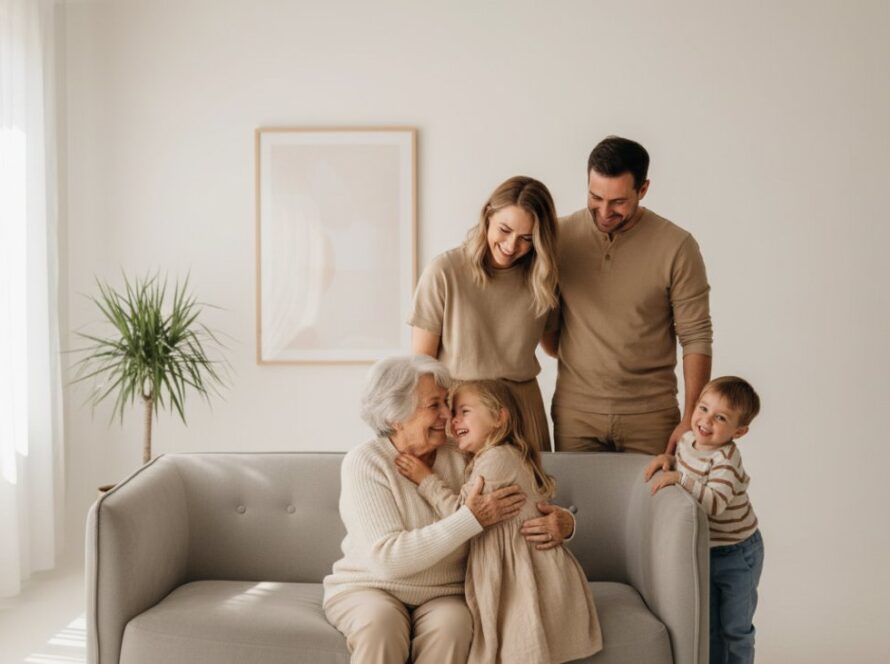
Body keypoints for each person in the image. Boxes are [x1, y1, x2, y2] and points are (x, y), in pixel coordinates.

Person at [323, 356, 574, 664]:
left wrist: (565, 522)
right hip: (370, 587)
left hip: (445, 592)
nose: (448, 416)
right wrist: (471, 519)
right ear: (395, 417)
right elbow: (388, 560)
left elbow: (522, 493)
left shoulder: (465, 451)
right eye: (434, 405)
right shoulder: (366, 462)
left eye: (448, 404)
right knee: (381, 626)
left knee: (454, 627)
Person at [396, 379, 602, 664]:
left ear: (499, 417)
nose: (453, 421)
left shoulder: (497, 459)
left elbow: (462, 515)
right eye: (452, 413)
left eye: (464, 411)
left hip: (523, 575)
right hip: (515, 570)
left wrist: (426, 480)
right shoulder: (495, 455)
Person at [543, 136, 713, 455]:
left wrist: (690, 416)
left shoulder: (677, 246)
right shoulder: (558, 236)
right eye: (595, 197)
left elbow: (696, 337)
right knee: (572, 507)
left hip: (652, 417)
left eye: (618, 202)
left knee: (654, 505)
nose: (604, 211)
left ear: (643, 189)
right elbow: (547, 327)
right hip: (576, 414)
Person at [409, 176, 559, 451]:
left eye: (526, 239)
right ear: (487, 215)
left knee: (531, 494)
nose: (512, 246)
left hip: (521, 411)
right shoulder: (445, 271)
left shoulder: (543, 277)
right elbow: (422, 363)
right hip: (461, 412)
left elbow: (554, 347)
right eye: (504, 229)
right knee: (459, 494)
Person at [644, 376, 763, 664]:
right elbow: (683, 464)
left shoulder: (726, 461)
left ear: (740, 431)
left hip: (737, 553)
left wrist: (679, 479)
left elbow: (714, 504)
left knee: (736, 628)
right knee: (708, 626)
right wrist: (667, 460)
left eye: (720, 417)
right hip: (704, 550)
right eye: (703, 408)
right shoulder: (687, 440)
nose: (706, 421)